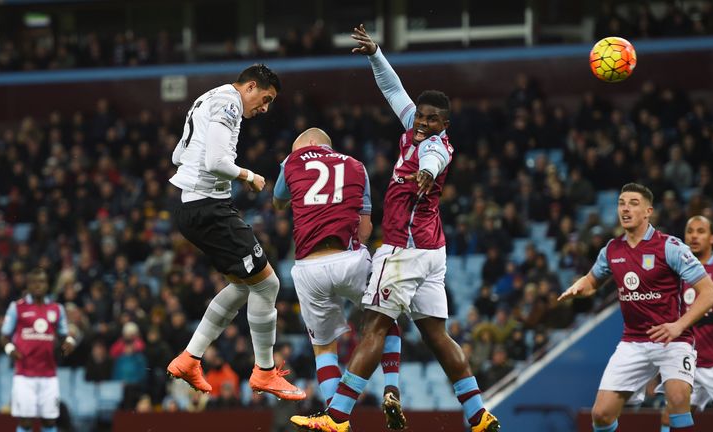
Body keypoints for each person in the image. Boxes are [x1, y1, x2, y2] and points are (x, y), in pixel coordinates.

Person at [290, 25, 500, 432]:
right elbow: (393, 90)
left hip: (403, 252)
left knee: (373, 327)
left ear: (446, 123)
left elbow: (434, 158)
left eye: (432, 119)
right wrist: (376, 54)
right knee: (438, 337)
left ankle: (336, 418)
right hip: (431, 251)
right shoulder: (413, 128)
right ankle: (478, 415)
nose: (422, 122)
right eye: (421, 115)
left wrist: (426, 170)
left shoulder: (435, 145)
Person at [165, 64, 304, 401]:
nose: (265, 107)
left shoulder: (207, 98)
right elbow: (214, 160)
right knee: (269, 284)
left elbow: (178, 154)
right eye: (266, 98)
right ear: (251, 86)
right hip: (207, 207)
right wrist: (248, 175)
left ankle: (189, 358)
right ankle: (266, 372)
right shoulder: (229, 102)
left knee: (244, 286)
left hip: (194, 206)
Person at [272, 127, 406, 429]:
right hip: (349, 259)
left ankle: (336, 419)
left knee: (324, 347)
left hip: (308, 267)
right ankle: (392, 387)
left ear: (305, 145)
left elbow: (278, 201)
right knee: (385, 319)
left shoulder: (291, 162)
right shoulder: (356, 166)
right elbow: (365, 228)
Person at [558, 183, 713, 432]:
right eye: (622, 203)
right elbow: (592, 281)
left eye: (633, 203)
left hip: (673, 340)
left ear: (648, 212)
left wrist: (678, 326)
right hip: (633, 342)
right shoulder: (611, 250)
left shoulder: (670, 247)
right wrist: (580, 287)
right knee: (601, 414)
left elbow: (709, 294)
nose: (625, 208)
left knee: (677, 401)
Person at [657, 216, 713, 431]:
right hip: (688, 363)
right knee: (668, 417)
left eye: (701, 231)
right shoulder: (677, 273)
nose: (694, 236)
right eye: (690, 231)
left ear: (712, 238)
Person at [0, 268, 76, 432]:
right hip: (24, 375)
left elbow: (64, 335)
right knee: (25, 422)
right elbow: (5, 335)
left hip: (49, 375)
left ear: (47, 284)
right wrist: (9, 348)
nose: (38, 285)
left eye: (41, 281)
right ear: (28, 285)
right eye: (34, 282)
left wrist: (70, 342)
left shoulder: (57, 309)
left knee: (49, 421)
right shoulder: (17, 308)